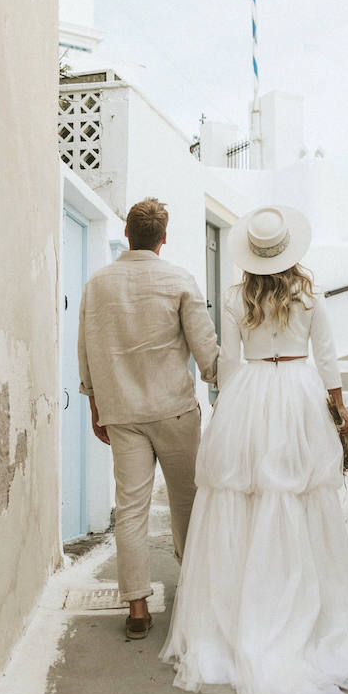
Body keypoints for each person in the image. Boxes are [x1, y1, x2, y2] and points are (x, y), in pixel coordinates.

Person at [159, 204, 348, 694]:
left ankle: (240, 610)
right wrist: (342, 413)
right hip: (297, 393)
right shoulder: (309, 295)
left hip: (248, 392)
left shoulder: (232, 296)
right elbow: (328, 360)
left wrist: (224, 403)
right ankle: (297, 608)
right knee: (294, 494)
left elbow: (226, 360)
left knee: (241, 496)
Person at [77, 197, 219, 640]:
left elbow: (87, 348)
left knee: (132, 508)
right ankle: (198, 591)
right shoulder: (178, 279)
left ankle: (137, 606)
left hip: (123, 411)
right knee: (189, 502)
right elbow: (206, 350)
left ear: (126, 235)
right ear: (163, 238)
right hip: (174, 409)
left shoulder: (98, 283)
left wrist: (95, 405)